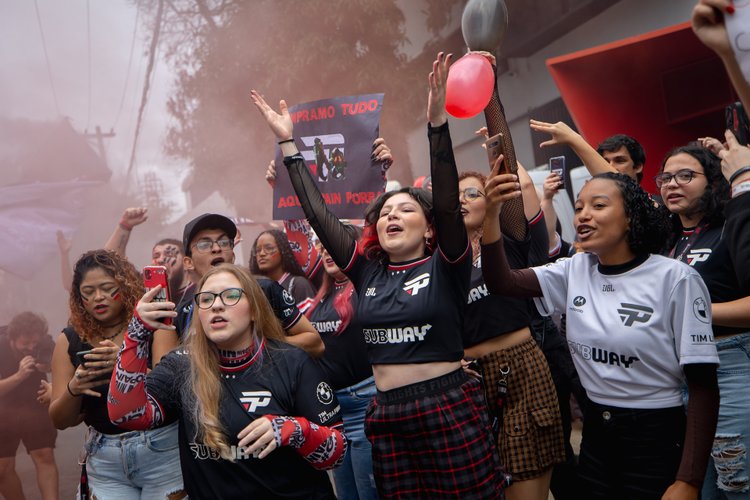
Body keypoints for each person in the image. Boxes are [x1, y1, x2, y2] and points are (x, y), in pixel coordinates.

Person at [250, 51, 505, 498]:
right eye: (385, 211)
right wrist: (289, 145)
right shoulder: (365, 272)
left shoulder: (447, 263)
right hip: (385, 414)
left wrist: (437, 124)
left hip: (449, 406)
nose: (391, 216)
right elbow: (320, 214)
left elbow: (446, 201)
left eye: (405, 209)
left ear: (429, 228)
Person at [481, 167, 720, 498]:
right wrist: (491, 214)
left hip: (656, 436)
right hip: (596, 437)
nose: (583, 216)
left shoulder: (675, 279)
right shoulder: (574, 268)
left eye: (599, 205)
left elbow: (703, 386)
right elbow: (501, 281)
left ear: (631, 218)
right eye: (579, 207)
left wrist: (689, 480)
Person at [108, 264, 346, 499]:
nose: (217, 305)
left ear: (254, 310)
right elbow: (126, 415)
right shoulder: (181, 365)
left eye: (231, 296)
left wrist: (295, 430)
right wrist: (137, 332)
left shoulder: (293, 361)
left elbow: (336, 454)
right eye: (206, 299)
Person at [459, 167, 565, 500]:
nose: (463, 199)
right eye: (456, 195)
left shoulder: (510, 241)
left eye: (473, 193)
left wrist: (494, 123)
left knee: (524, 483)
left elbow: (525, 184)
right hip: (472, 384)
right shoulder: (446, 262)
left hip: (519, 372)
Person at [48, 250, 185, 499]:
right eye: (87, 292)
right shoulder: (69, 339)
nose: (98, 297)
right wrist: (73, 389)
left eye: (106, 288)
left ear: (125, 285)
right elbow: (59, 420)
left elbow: (171, 388)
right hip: (105, 459)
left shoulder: (156, 322)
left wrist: (125, 366)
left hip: (161, 449)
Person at [657, 142, 750, 498]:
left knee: (737, 484)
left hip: (731, 364)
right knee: (702, 488)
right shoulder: (665, 237)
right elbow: (619, 186)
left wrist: (692, 311)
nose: (672, 184)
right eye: (665, 177)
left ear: (713, 183)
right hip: (682, 372)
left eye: (685, 176)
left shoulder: (731, 227)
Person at [156, 213, 324, 360]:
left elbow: (315, 344)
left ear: (233, 255)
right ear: (188, 262)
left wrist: (251, 346)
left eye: (223, 242)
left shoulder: (264, 290)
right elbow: (163, 371)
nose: (216, 248)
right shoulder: (184, 312)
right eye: (204, 244)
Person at [305, 233, 378, 500]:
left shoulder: (367, 286)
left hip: (365, 402)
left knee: (369, 493)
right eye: (322, 247)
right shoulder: (321, 297)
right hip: (333, 411)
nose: (326, 252)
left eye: (332, 245)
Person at [0, 312, 58, 500]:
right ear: (12, 338)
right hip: (4, 410)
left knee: (44, 456)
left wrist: (48, 366)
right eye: (25, 344)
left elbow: (58, 365)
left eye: (34, 343)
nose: (30, 348)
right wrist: (20, 375)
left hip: (36, 404)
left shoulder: (44, 343)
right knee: (3, 467)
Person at [250, 229, 317, 308]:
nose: (261, 254)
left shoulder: (298, 285)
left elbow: (309, 319)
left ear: (283, 250)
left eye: (269, 248)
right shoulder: (256, 288)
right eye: (258, 250)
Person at [151, 238, 193, 306]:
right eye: (156, 256)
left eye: (169, 254)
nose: (160, 260)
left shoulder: (199, 293)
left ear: (186, 263)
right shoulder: (150, 294)